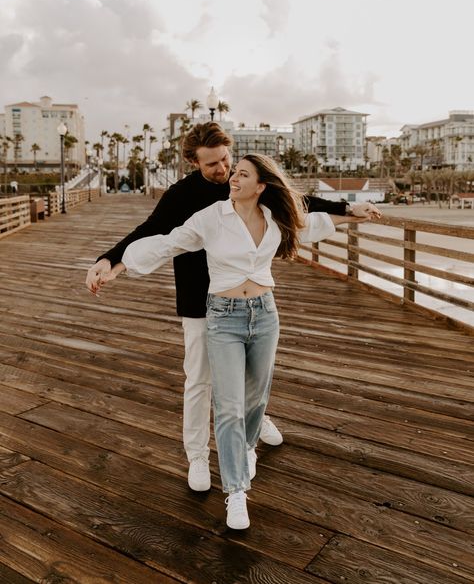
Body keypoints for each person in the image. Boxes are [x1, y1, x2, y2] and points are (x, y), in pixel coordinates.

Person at [86, 122, 380, 494]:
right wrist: (109, 260)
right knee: (200, 379)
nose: (222, 169)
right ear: (194, 162)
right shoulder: (182, 195)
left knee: (249, 377)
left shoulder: (243, 182)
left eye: (226, 159)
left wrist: (349, 208)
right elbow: (152, 231)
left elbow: (294, 202)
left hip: (247, 299)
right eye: (212, 165)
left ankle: (254, 426)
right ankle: (196, 455)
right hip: (199, 300)